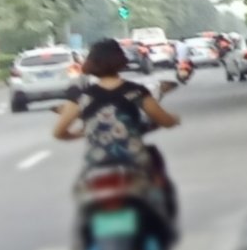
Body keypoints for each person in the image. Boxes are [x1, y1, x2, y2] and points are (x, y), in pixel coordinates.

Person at [55, 37, 180, 239]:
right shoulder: (135, 91)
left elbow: (59, 132)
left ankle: (85, 237)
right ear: (121, 61)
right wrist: (173, 120)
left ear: (91, 63)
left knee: (84, 199)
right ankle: (162, 227)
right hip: (135, 162)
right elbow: (162, 119)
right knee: (158, 184)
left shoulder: (82, 97)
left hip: (97, 164)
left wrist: (79, 134)